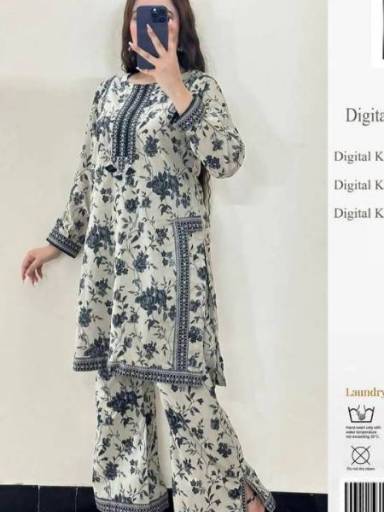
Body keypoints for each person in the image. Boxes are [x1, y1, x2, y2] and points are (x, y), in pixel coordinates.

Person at [20, 1, 277, 511]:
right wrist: (58, 242)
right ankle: (131, 503)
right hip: (112, 264)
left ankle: (235, 497)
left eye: (165, 12)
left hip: (171, 269)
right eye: (144, 12)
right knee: (118, 392)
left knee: (185, 393)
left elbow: (227, 159)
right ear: (130, 26)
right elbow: (89, 175)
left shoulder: (199, 89)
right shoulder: (108, 93)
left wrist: (175, 85)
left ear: (182, 24)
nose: (155, 21)